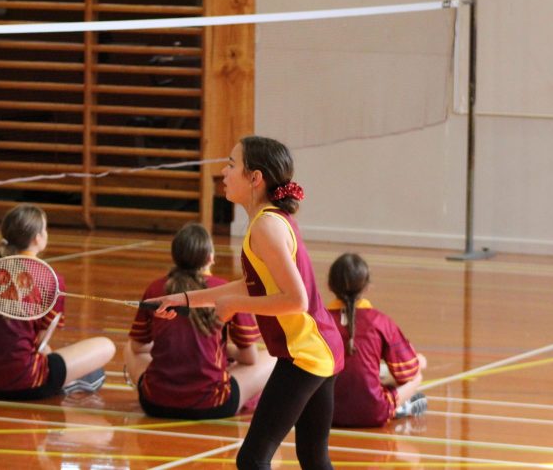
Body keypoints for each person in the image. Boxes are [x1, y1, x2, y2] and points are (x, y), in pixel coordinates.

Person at [150, 135, 344, 470]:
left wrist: (235, 305)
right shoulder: (268, 221)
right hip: (319, 346)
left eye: (231, 164)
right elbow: (253, 284)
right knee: (313, 457)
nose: (223, 173)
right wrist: (183, 299)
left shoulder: (266, 227)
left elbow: (296, 300)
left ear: (255, 178)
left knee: (253, 460)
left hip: (305, 353)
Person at [0, 203, 115, 400]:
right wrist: (59, 368)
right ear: (37, 238)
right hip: (24, 383)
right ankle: (68, 381)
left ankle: (65, 378)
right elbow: (42, 341)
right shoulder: (51, 279)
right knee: (105, 346)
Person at [125, 221, 275, 419]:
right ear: (210, 257)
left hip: (154, 403)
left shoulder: (155, 288)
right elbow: (249, 358)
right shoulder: (225, 289)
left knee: (129, 346)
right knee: (272, 357)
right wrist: (222, 351)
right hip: (213, 403)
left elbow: (137, 347)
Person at [326, 252, 428, 428]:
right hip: (373, 412)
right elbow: (409, 371)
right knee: (418, 370)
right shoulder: (379, 321)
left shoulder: (319, 320)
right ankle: (401, 407)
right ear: (367, 287)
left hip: (325, 413)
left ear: (329, 285)